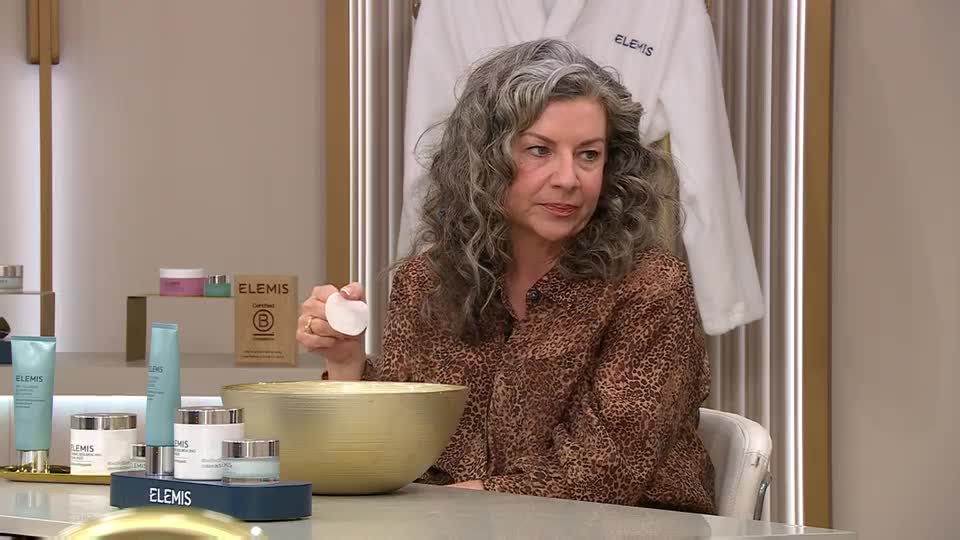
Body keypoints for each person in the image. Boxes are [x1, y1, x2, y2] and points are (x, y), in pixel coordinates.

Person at [297, 39, 715, 514]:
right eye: (539, 150)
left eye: (589, 154)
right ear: (484, 161)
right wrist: (347, 361)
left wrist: (437, 510)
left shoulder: (650, 287)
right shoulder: (428, 283)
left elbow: (604, 474)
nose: (568, 178)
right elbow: (399, 449)